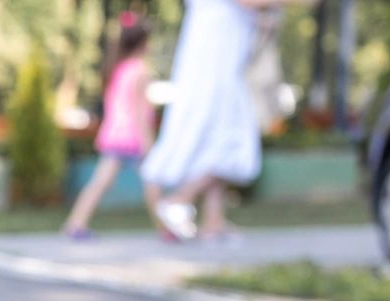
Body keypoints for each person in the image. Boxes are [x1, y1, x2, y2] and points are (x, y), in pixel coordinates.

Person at [140, 0, 289, 240]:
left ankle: (213, 221)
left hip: (223, 65)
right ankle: (180, 199)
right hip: (213, 67)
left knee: (220, 139)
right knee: (230, 140)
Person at [63, 14, 156, 239]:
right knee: (154, 181)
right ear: (143, 43)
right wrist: (148, 142)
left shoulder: (119, 68)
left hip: (115, 135)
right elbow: (139, 111)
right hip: (132, 137)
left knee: (100, 182)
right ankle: (168, 228)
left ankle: (75, 223)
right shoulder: (140, 70)